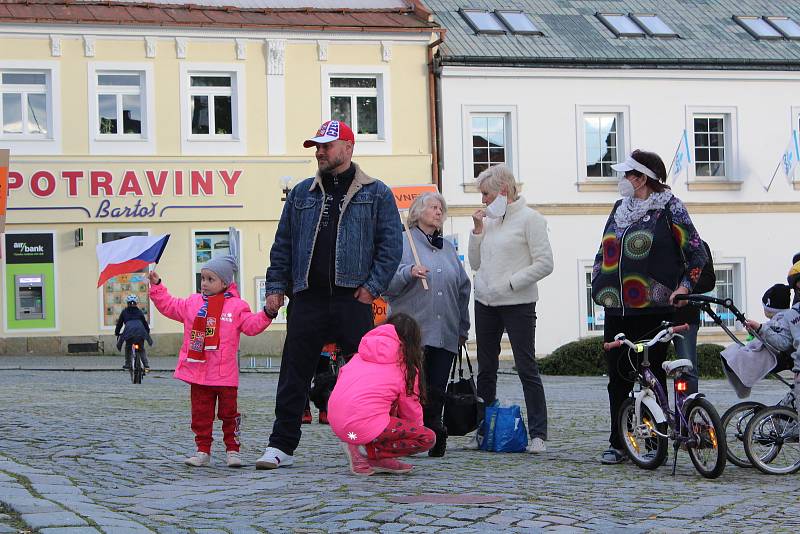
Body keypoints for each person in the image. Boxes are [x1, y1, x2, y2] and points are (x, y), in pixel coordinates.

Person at [257, 120, 403, 469]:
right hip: (307, 297)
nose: (320, 152)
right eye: (317, 146)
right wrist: (276, 287)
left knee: (366, 377)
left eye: (326, 145)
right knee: (293, 373)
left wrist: (371, 289)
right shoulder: (300, 193)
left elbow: (391, 246)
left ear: (348, 148)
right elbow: (283, 245)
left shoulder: (377, 193)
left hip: (354, 299)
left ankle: (373, 443)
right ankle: (281, 446)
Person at [591, 149, 708, 465]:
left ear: (642, 178)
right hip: (617, 308)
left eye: (628, 174)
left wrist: (684, 288)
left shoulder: (670, 208)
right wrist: (598, 279)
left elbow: (697, 254)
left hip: (655, 308)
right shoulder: (619, 209)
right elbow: (604, 249)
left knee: (652, 375)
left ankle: (656, 444)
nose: (623, 179)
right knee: (618, 379)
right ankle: (619, 442)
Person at [148, 255, 273, 468]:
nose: (204, 283)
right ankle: (202, 451)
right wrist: (158, 286)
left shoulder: (236, 306)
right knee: (200, 416)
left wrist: (268, 313)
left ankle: (232, 451)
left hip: (224, 376)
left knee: (229, 416)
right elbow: (169, 305)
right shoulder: (193, 303)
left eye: (210, 279)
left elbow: (251, 326)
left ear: (224, 283)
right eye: (202, 278)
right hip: (199, 374)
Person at [468, 164, 554, 454]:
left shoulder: (531, 219)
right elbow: (476, 263)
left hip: (518, 303)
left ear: (503, 191)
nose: (483, 201)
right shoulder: (490, 221)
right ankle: (483, 429)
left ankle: (538, 434)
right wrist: (477, 232)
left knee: (526, 367)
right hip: (485, 302)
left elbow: (545, 263)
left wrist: (512, 283)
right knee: (486, 369)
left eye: (486, 194)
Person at [384, 192, 471, 457]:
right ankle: (407, 435)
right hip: (413, 331)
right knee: (409, 388)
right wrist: (407, 273)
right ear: (417, 212)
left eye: (441, 207)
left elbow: (463, 289)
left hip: (445, 331)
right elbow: (387, 286)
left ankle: (433, 434)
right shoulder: (401, 242)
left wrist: (462, 328)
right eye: (433, 207)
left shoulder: (447, 248)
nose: (438, 211)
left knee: (436, 389)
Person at [327, 313, 436, 475]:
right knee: (428, 438)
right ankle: (371, 454)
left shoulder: (360, 355)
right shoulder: (405, 367)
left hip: (338, 423)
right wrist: (411, 430)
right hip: (362, 426)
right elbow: (410, 407)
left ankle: (365, 450)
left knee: (385, 404)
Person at [743, 283, 800, 409]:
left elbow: (782, 342)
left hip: (785, 359)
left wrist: (760, 328)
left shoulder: (784, 318)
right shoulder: (790, 315)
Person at [672, 240, 715, 395]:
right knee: (650, 369)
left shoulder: (697, 244)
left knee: (687, 369)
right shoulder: (651, 241)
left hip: (685, 316)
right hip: (653, 313)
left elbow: (709, 280)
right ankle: (654, 416)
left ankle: (687, 414)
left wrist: (684, 287)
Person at [115, 294, 152, 372]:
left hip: (129, 332)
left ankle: (128, 364)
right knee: (141, 349)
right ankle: (146, 366)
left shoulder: (124, 312)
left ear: (127, 303)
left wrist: (117, 332)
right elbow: (145, 323)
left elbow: (119, 324)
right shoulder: (139, 312)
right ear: (136, 303)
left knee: (128, 348)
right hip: (140, 332)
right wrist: (147, 332)